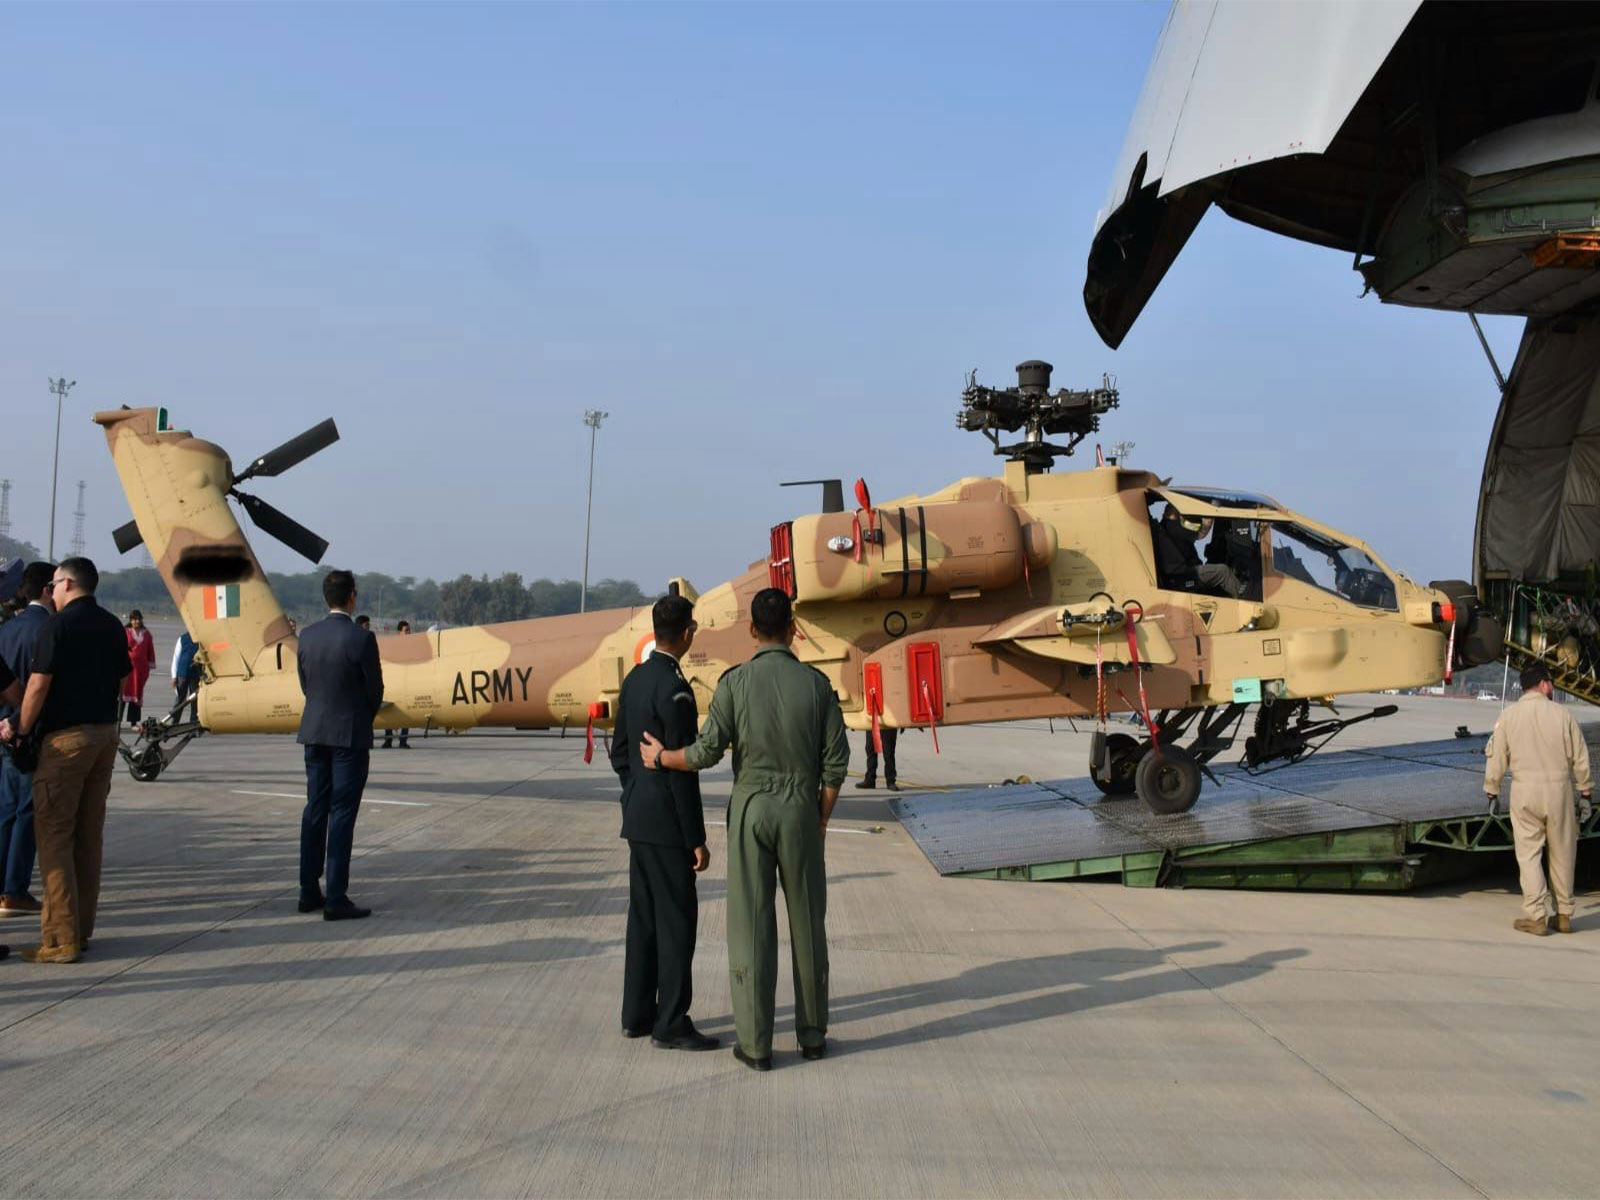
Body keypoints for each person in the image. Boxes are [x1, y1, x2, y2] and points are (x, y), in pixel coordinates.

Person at [642, 587, 849, 1070]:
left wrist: (663, 757)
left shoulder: (734, 684)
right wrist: (819, 818)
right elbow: (836, 765)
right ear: (793, 630)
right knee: (808, 925)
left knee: (752, 927)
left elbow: (706, 751)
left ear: (752, 629)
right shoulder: (817, 686)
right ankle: (813, 1036)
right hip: (800, 810)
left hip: (752, 810)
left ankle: (756, 1045)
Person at [1, 557, 131, 964]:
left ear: (69, 584)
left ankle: (60, 939)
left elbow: (38, 686)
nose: (51, 591)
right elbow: (124, 679)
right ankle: (82, 930)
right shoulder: (112, 625)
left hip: (65, 742)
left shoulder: (57, 626)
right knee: (88, 837)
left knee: (54, 837)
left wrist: (21, 729)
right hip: (103, 737)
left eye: (55, 584)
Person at [609, 595, 717, 1051]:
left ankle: (636, 1015)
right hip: (668, 825)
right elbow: (681, 771)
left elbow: (620, 753)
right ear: (688, 633)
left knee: (644, 921)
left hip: (639, 818)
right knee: (676, 924)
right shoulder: (676, 690)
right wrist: (695, 838)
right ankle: (671, 1021)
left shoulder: (635, 679)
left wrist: (636, 793)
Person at [296, 569, 384, 922]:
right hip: (349, 735)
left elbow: (306, 684)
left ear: (325, 597)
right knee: (342, 814)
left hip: (315, 732)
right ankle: (335, 896)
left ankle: (308, 890)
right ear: (352, 597)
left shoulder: (308, 636)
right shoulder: (361, 639)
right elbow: (375, 690)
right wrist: (361, 717)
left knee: (315, 810)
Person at [1485, 662, 1592, 936]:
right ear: (1544, 684)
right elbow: (1580, 757)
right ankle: (1564, 914)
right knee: (1563, 853)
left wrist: (1492, 791)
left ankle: (1536, 916)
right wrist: (1585, 793)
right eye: (1551, 683)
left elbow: (1496, 756)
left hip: (1525, 791)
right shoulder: (1563, 715)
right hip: (1559, 791)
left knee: (1529, 855)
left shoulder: (1509, 716)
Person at [0, 562, 54, 918]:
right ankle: (14, 890)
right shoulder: (50, 629)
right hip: (30, 731)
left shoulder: (7, 628)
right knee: (27, 812)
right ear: (49, 590)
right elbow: (41, 688)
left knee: (5, 811)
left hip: (3, 730)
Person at [1152, 506, 1243, 598]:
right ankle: (1247, 602)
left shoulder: (1164, 527)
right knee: (1223, 572)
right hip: (1184, 576)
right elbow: (1202, 533)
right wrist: (1211, 511)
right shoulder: (1172, 526)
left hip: (1179, 576)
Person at [120, 610, 156, 726]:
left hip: (141, 670)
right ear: (131, 620)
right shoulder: (125, 632)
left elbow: (150, 650)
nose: (137, 621)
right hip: (126, 669)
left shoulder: (147, 634)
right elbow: (118, 647)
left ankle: (133, 722)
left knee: (137, 693)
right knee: (123, 693)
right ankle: (117, 720)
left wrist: (150, 664)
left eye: (139, 619)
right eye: (135, 619)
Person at [382, 621, 412, 749]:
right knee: (389, 710)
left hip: (408, 682)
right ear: (399, 632)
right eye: (406, 630)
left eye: (409, 630)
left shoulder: (413, 646)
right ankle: (388, 740)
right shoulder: (394, 646)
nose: (409, 632)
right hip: (395, 682)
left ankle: (403, 740)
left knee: (408, 710)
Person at [167, 630, 199, 724]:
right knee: (179, 700)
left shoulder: (200, 639)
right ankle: (174, 723)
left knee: (195, 701)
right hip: (182, 674)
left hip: (195, 675)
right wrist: (174, 676)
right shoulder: (182, 638)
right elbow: (176, 658)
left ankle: (193, 723)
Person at [856, 727, 898, 791]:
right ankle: (870, 780)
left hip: (888, 725)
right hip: (871, 723)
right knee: (870, 749)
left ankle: (891, 781)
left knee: (888, 752)